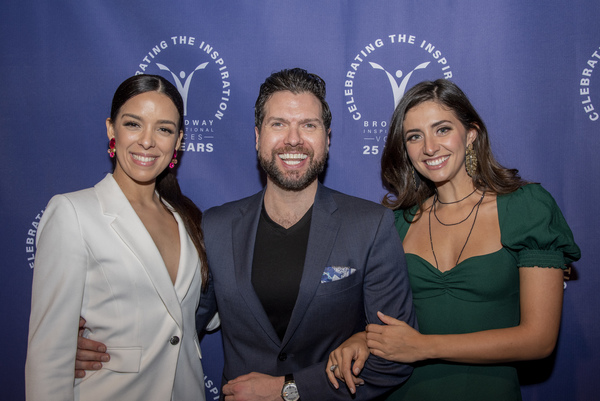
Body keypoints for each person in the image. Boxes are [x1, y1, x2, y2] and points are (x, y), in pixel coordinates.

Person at [75, 68, 417, 401]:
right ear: (257, 137)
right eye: (278, 124)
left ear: (327, 139)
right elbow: (177, 327)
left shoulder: (370, 226)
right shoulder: (214, 227)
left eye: (308, 125)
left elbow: (393, 359)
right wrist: (104, 343)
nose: (293, 139)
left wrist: (288, 389)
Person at [326, 79, 581, 401]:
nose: (429, 147)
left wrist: (423, 347)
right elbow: (387, 320)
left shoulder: (526, 208)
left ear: (471, 134)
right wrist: (361, 339)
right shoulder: (396, 222)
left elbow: (539, 340)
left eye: (442, 129)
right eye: (414, 137)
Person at [25, 74, 217, 401]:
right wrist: (65, 344)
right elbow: (49, 358)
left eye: (164, 129)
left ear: (179, 140)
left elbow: (207, 313)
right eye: (133, 124)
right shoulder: (72, 213)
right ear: (111, 129)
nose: (147, 141)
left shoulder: (189, 222)